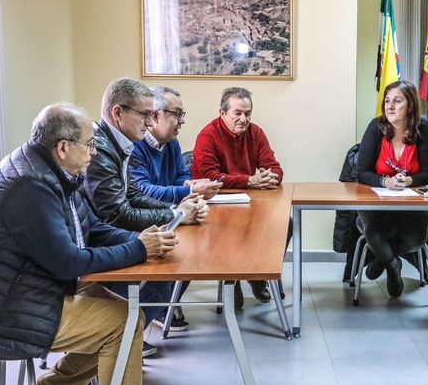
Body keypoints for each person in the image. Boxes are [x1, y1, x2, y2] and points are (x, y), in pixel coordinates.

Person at [0, 104, 178, 385]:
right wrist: (139, 250)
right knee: (120, 324)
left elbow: (92, 229)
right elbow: (68, 262)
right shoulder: (30, 186)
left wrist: (141, 241)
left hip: (25, 289)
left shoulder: (55, 172)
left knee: (126, 318)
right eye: (90, 144)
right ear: (63, 147)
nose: (94, 152)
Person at [84, 77, 208, 357]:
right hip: (95, 242)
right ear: (118, 113)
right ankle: (118, 341)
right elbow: (116, 213)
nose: (149, 121)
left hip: (104, 233)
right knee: (167, 267)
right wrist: (176, 213)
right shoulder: (102, 149)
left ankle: (125, 339)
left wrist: (176, 212)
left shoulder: (118, 144)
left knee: (172, 263)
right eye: (144, 114)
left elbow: (134, 196)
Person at [130, 86, 221, 332]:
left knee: (193, 250)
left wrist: (190, 191)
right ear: (155, 115)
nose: (181, 121)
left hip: (170, 213)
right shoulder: (135, 146)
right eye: (176, 114)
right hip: (143, 220)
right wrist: (188, 192)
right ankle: (138, 327)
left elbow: (182, 175)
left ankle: (161, 310)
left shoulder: (171, 142)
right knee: (178, 253)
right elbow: (143, 191)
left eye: (182, 115)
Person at [192, 86, 284, 307]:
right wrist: (249, 180)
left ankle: (257, 275)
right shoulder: (208, 135)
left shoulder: (257, 133)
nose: (244, 119)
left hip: (251, 202)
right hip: (214, 203)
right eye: (238, 113)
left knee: (285, 224)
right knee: (232, 228)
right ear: (222, 113)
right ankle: (230, 280)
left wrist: (270, 177)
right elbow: (209, 177)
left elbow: (275, 169)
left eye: (248, 113)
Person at [355, 80, 428, 297]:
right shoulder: (376, 127)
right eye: (387, 101)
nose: (390, 106)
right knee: (374, 231)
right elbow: (361, 172)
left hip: (412, 203)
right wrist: (385, 182)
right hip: (377, 202)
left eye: (397, 101)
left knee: (414, 239)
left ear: (410, 105)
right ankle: (392, 266)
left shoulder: (424, 129)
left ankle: (382, 259)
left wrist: (408, 181)